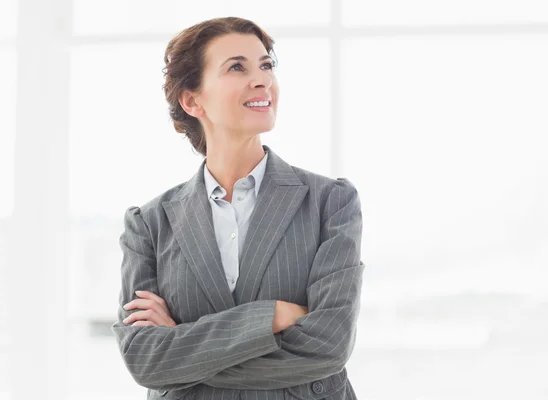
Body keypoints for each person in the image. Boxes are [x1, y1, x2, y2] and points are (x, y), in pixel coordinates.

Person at [111, 16, 364, 400]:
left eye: (266, 65)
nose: (262, 79)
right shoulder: (149, 224)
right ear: (192, 100)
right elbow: (145, 361)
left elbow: (327, 345)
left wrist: (181, 347)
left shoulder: (330, 202)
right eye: (236, 67)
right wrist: (271, 317)